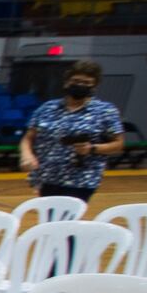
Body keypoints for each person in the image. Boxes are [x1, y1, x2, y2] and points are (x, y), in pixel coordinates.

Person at [18, 58, 122, 202]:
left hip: (82, 179)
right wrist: (27, 155)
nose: (80, 85)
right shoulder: (48, 108)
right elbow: (28, 137)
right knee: (50, 220)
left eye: (86, 83)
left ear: (94, 87)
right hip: (47, 176)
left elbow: (118, 144)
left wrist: (92, 148)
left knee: (68, 220)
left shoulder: (105, 111)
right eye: (76, 81)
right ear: (67, 82)